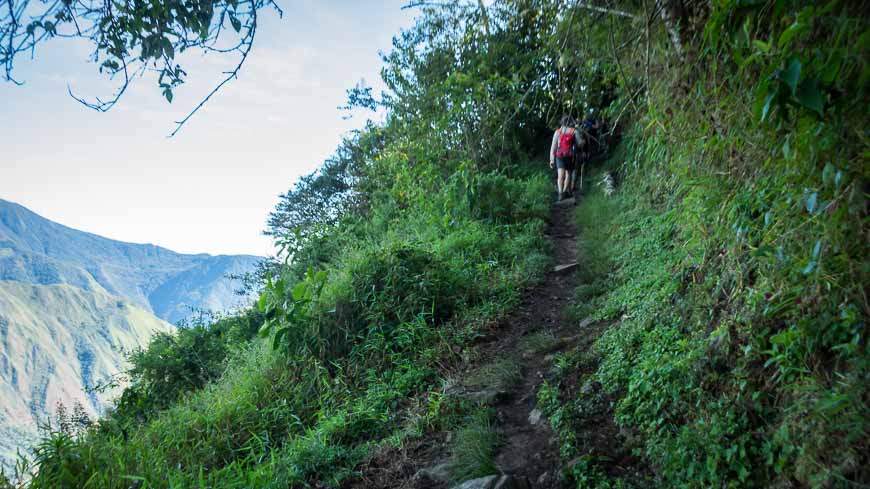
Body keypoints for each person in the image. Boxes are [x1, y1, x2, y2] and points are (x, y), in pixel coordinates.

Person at [549, 115, 584, 201]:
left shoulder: (558, 131)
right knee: (568, 174)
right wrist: (583, 141)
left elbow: (553, 147)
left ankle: (560, 193)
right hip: (569, 155)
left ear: (562, 122)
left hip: (559, 155)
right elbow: (579, 143)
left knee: (560, 175)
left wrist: (551, 160)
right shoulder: (574, 131)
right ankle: (565, 191)